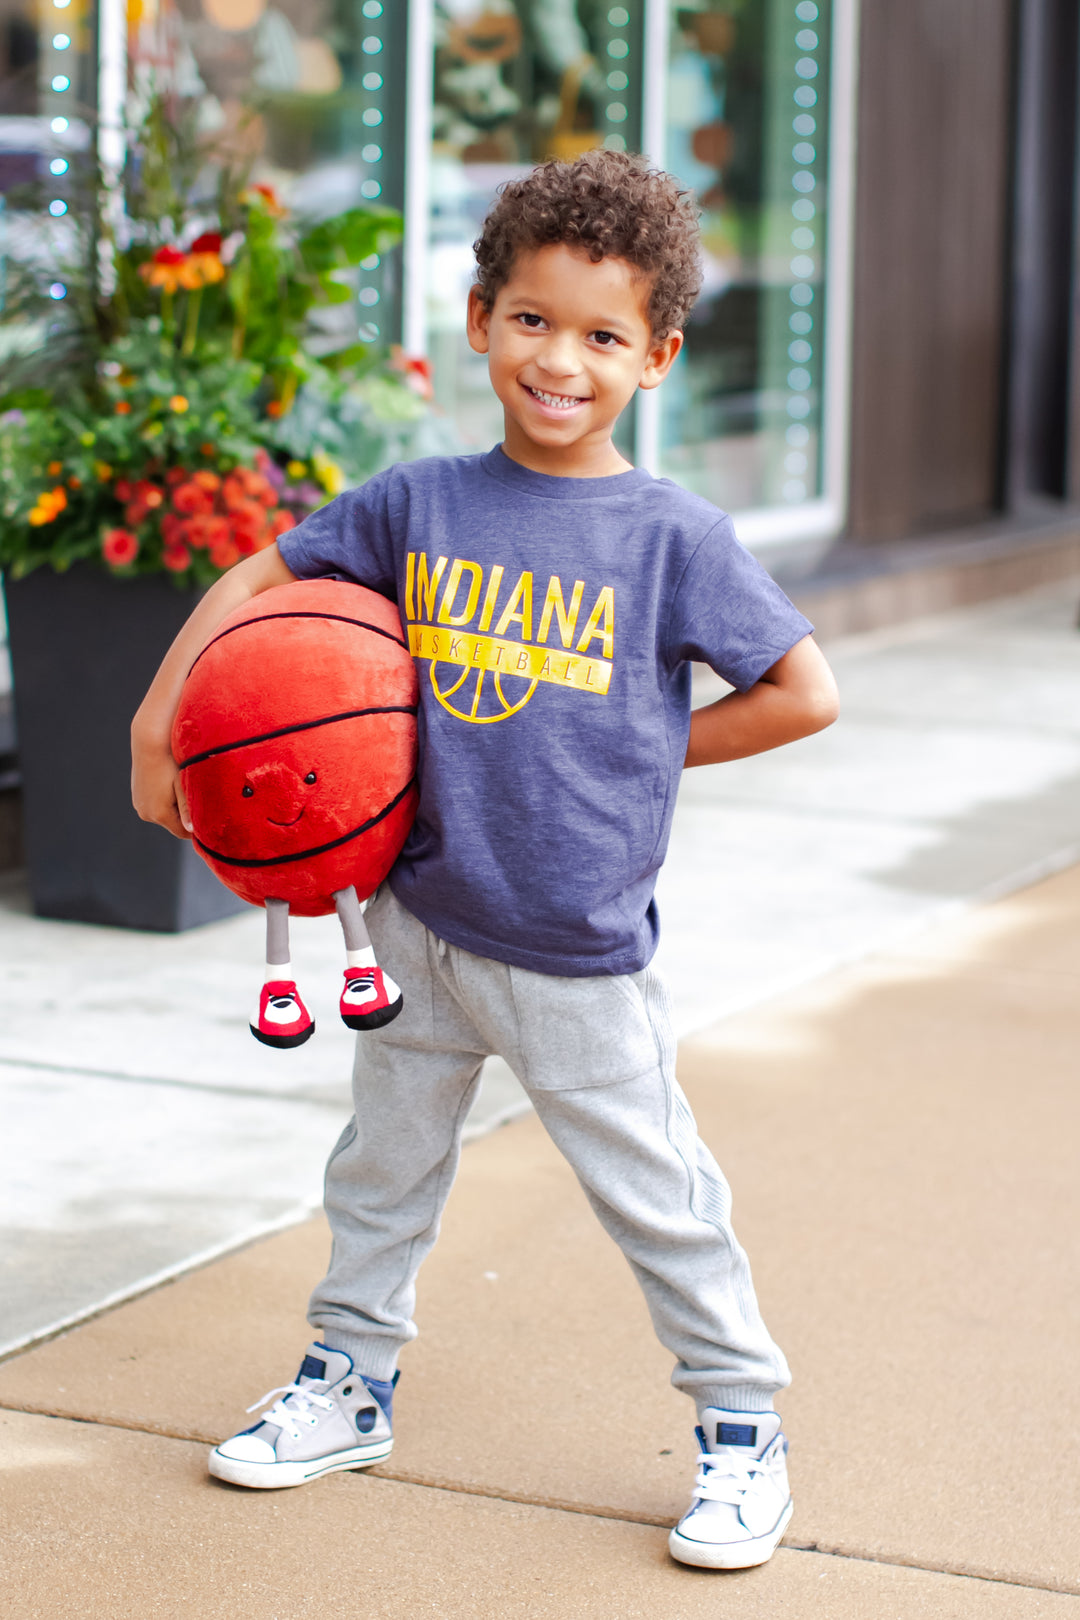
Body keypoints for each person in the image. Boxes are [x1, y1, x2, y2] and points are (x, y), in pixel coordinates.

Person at [131, 148, 839, 1571]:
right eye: (531, 319)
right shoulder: (418, 506)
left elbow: (804, 689)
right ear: (478, 320)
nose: (558, 358)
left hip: (576, 949)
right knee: (379, 1171)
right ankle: (350, 1383)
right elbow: (262, 581)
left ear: (656, 357)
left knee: (658, 1197)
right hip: (413, 920)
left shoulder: (673, 538)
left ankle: (741, 1423)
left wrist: (649, 754)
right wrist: (162, 717)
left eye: (599, 335)